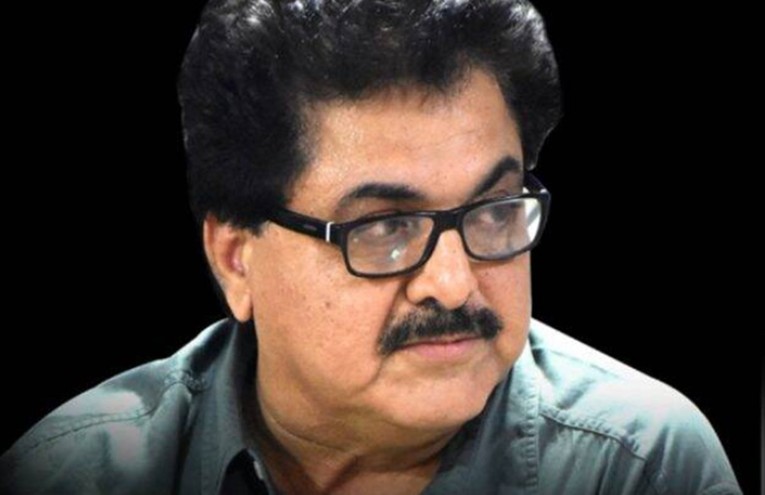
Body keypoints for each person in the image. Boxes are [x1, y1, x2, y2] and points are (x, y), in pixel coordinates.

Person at [0, 0, 743, 494]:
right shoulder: (70, 474)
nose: (453, 284)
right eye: (384, 227)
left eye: (492, 210)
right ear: (235, 257)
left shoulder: (641, 464)